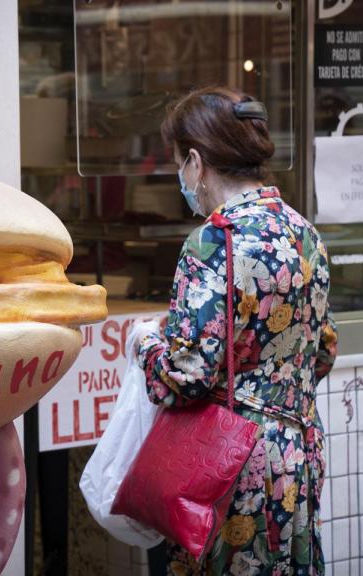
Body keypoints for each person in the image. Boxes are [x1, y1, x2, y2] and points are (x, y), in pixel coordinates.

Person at [135, 87, 338, 575]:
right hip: (297, 450)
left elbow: (185, 380)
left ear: (195, 161)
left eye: (180, 166)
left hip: (234, 463)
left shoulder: (214, 239)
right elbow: (324, 349)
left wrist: (144, 342)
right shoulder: (303, 232)